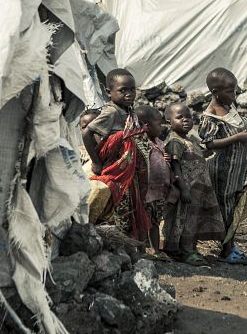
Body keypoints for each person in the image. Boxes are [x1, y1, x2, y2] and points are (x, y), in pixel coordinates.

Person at [82, 69, 151, 240]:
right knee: (120, 206)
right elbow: (87, 133)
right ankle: (119, 242)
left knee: (131, 206)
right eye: (123, 90)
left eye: (132, 89)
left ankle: (130, 245)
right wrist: (96, 162)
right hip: (117, 171)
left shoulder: (128, 111)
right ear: (108, 92)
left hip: (129, 171)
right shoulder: (111, 112)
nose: (129, 94)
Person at [198, 68, 247, 264]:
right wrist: (236, 138)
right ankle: (225, 250)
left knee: (234, 205)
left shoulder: (230, 108)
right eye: (229, 91)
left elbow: (240, 130)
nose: (234, 95)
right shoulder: (211, 115)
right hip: (222, 170)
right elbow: (208, 144)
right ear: (216, 92)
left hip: (236, 170)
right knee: (225, 208)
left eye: (234, 90)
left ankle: (230, 244)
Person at [163, 102, 225, 266]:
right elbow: (175, 166)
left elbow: (198, 153)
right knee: (186, 221)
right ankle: (185, 251)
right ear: (169, 121)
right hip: (188, 190)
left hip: (199, 190)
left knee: (195, 220)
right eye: (180, 117)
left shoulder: (190, 139)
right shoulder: (174, 142)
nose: (186, 120)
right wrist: (183, 189)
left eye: (189, 116)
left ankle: (191, 248)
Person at [134, 104, 175, 262]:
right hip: (145, 193)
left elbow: (164, 163)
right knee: (144, 223)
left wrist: (167, 161)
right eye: (159, 124)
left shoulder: (159, 142)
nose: (162, 127)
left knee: (155, 222)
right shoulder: (140, 145)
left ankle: (156, 250)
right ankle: (142, 250)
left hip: (159, 191)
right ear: (146, 126)